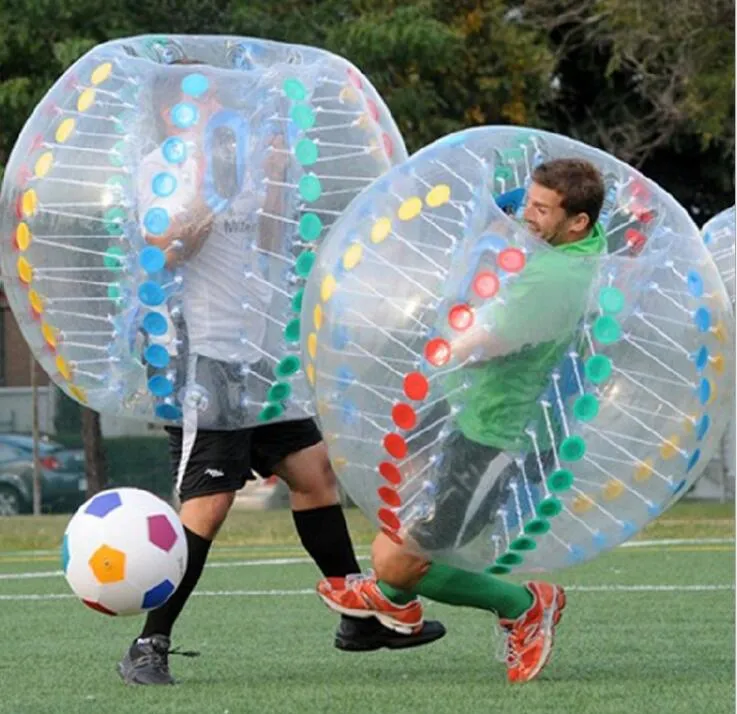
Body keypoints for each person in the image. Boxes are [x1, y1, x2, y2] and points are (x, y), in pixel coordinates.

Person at [118, 61, 445, 687]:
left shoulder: (241, 161)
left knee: (314, 475)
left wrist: (268, 189)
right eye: (201, 97)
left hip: (260, 352)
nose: (215, 104)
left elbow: (265, 244)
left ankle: (359, 619)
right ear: (171, 111)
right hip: (201, 355)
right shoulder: (159, 169)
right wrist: (205, 196)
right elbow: (166, 253)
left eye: (217, 94)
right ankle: (148, 642)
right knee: (207, 506)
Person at [317, 158, 608, 684]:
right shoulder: (578, 245)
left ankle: (523, 605)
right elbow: (531, 213)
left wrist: (438, 348)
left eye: (541, 209)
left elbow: (488, 341)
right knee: (428, 540)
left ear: (578, 222)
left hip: (494, 436)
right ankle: (391, 601)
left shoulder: (554, 276)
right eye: (528, 203)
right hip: (476, 418)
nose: (527, 215)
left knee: (399, 558)